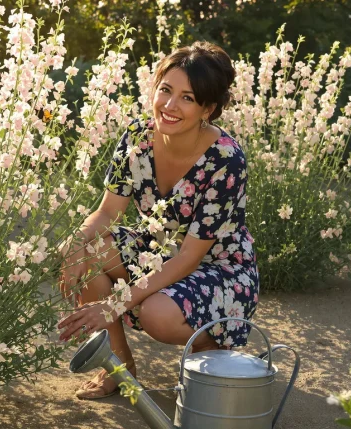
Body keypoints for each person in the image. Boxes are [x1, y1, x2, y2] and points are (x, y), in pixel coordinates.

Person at [57, 41, 259, 400]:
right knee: (86, 253)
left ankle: (214, 349)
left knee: (157, 314)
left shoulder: (226, 160)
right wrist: (73, 245)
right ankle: (118, 368)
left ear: (207, 109)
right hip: (157, 252)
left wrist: (115, 304)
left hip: (219, 271)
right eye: (166, 90)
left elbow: (189, 258)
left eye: (187, 98)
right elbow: (107, 213)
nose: (169, 105)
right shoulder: (137, 138)